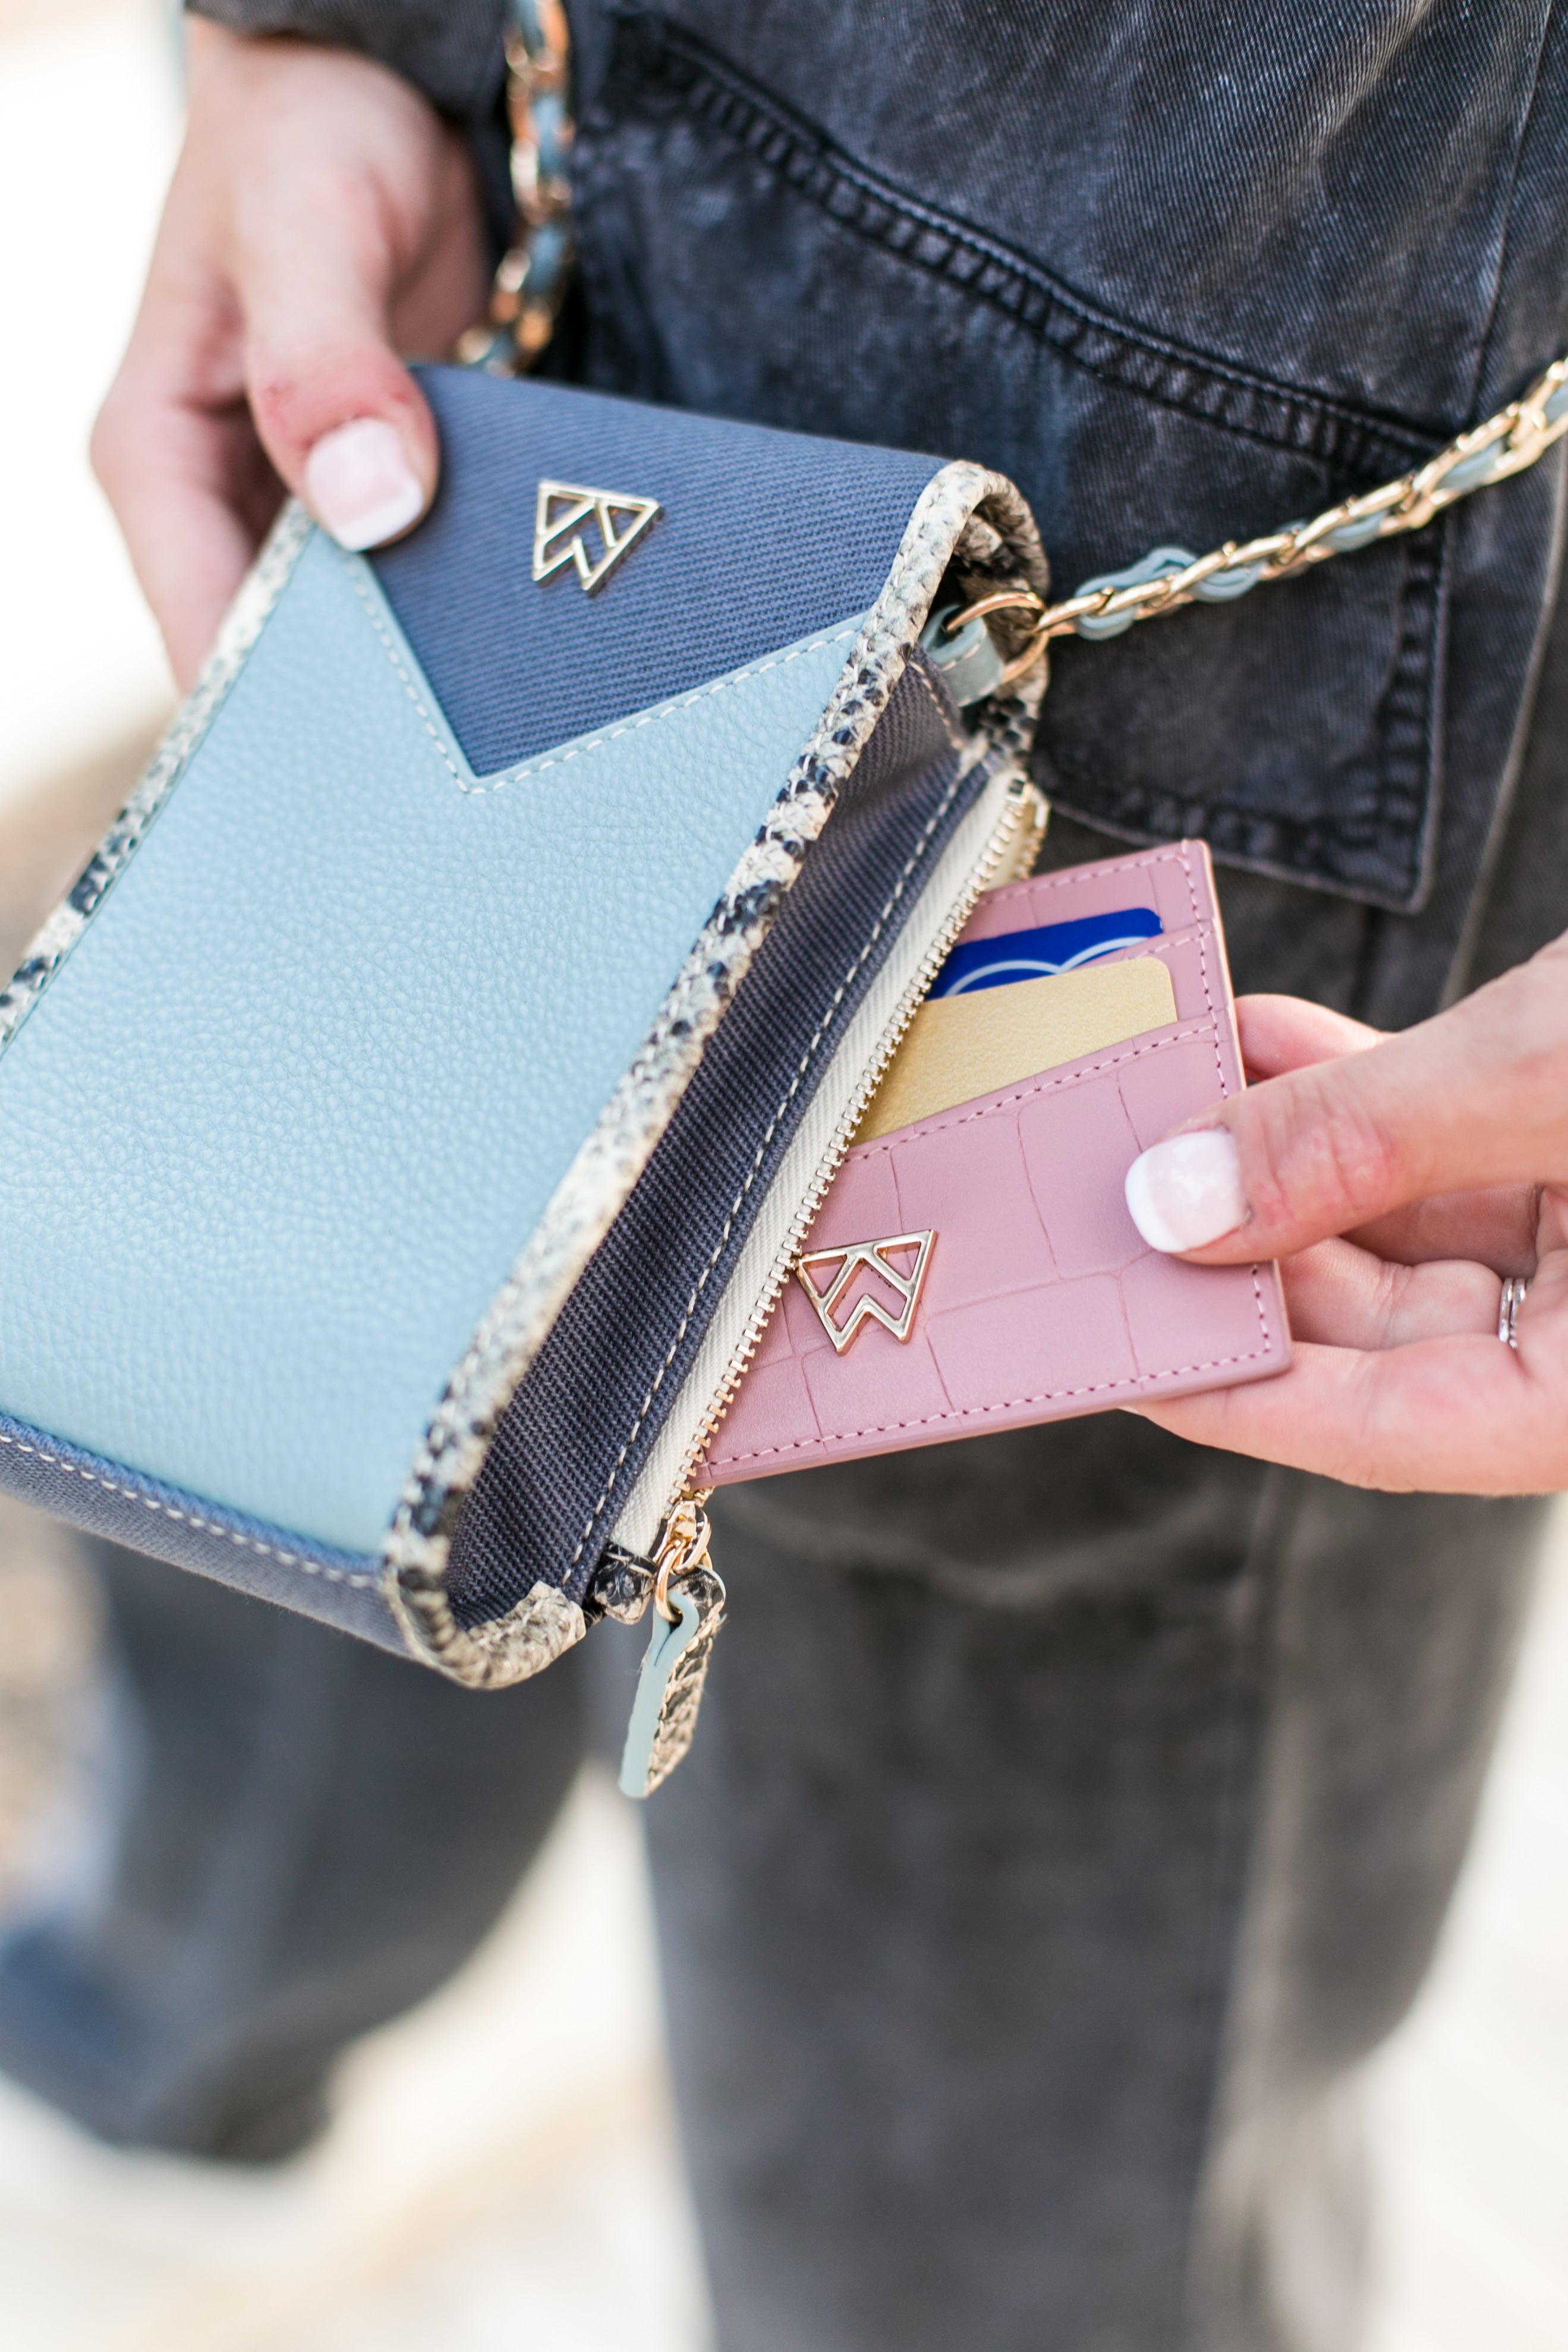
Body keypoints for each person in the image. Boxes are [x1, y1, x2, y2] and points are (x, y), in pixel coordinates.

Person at [5, 5, 1563, 2345]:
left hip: (1219, 617)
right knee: (261, 1463)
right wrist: (294, 38)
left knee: (988, 2163)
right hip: (486, 334)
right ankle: (158, 2097)